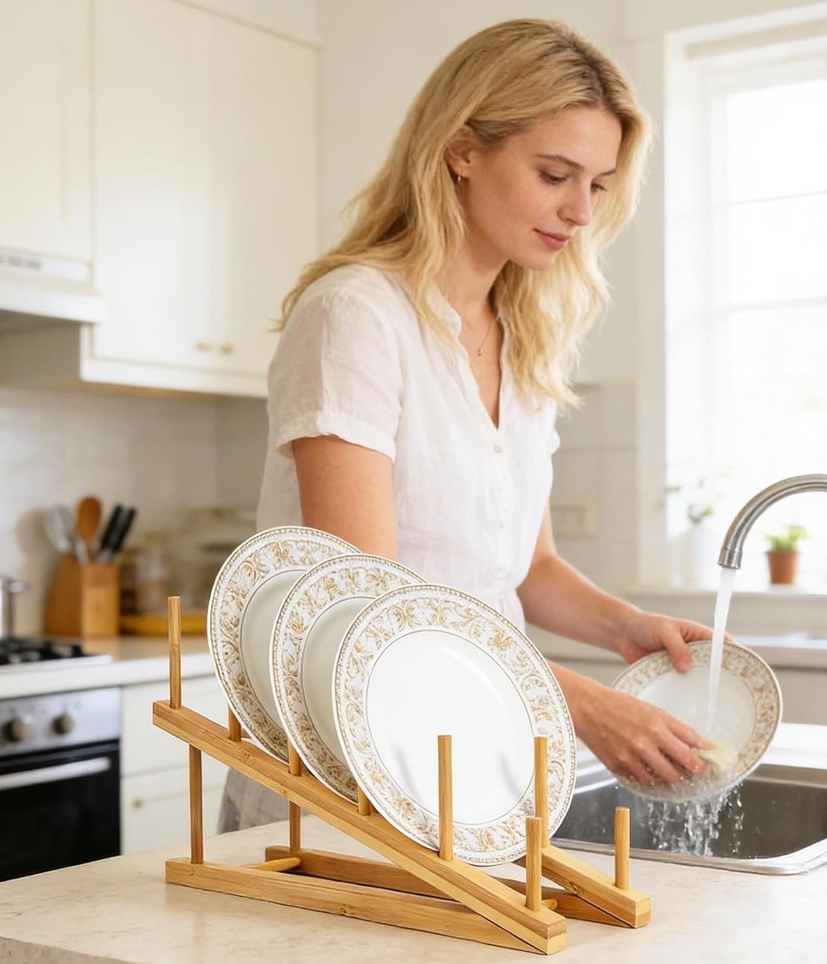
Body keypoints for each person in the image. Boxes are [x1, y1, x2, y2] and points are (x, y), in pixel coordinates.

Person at [219, 17, 712, 833]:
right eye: (555, 173)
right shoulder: (355, 318)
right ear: (461, 150)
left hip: (481, 764)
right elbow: (370, 609)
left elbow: (527, 566)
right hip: (352, 771)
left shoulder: (525, 340)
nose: (580, 210)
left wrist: (627, 628)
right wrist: (581, 701)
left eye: (597, 183)